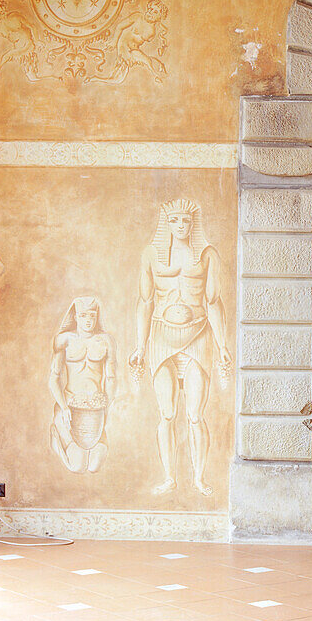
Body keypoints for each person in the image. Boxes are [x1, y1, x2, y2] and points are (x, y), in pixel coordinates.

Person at [129, 199, 231, 496]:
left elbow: (213, 302)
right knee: (167, 413)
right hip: (161, 337)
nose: (180, 226)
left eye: (185, 220)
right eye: (174, 220)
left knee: (196, 414)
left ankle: (199, 477)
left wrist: (222, 344)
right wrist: (139, 345)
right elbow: (145, 302)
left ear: (193, 223)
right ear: (167, 223)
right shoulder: (151, 255)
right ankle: (169, 476)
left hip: (198, 335)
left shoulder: (207, 255)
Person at [49, 297, 116, 474]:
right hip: (71, 406)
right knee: (77, 467)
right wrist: (63, 407)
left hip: (96, 409)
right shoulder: (64, 340)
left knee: (94, 467)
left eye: (92, 315)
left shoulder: (106, 341)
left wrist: (106, 407)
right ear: (76, 317)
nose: (88, 320)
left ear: (97, 317)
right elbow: (53, 379)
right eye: (83, 315)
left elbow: (111, 378)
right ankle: (57, 433)